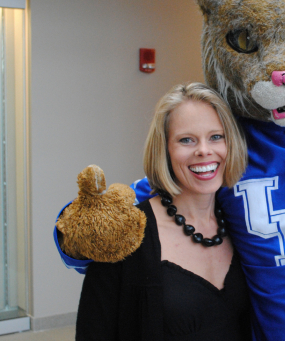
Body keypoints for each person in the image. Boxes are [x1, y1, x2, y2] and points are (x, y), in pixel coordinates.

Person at [74, 82, 251, 341]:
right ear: (164, 150)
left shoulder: (244, 224)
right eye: (186, 140)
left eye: (216, 136)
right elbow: (94, 331)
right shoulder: (124, 234)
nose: (204, 150)